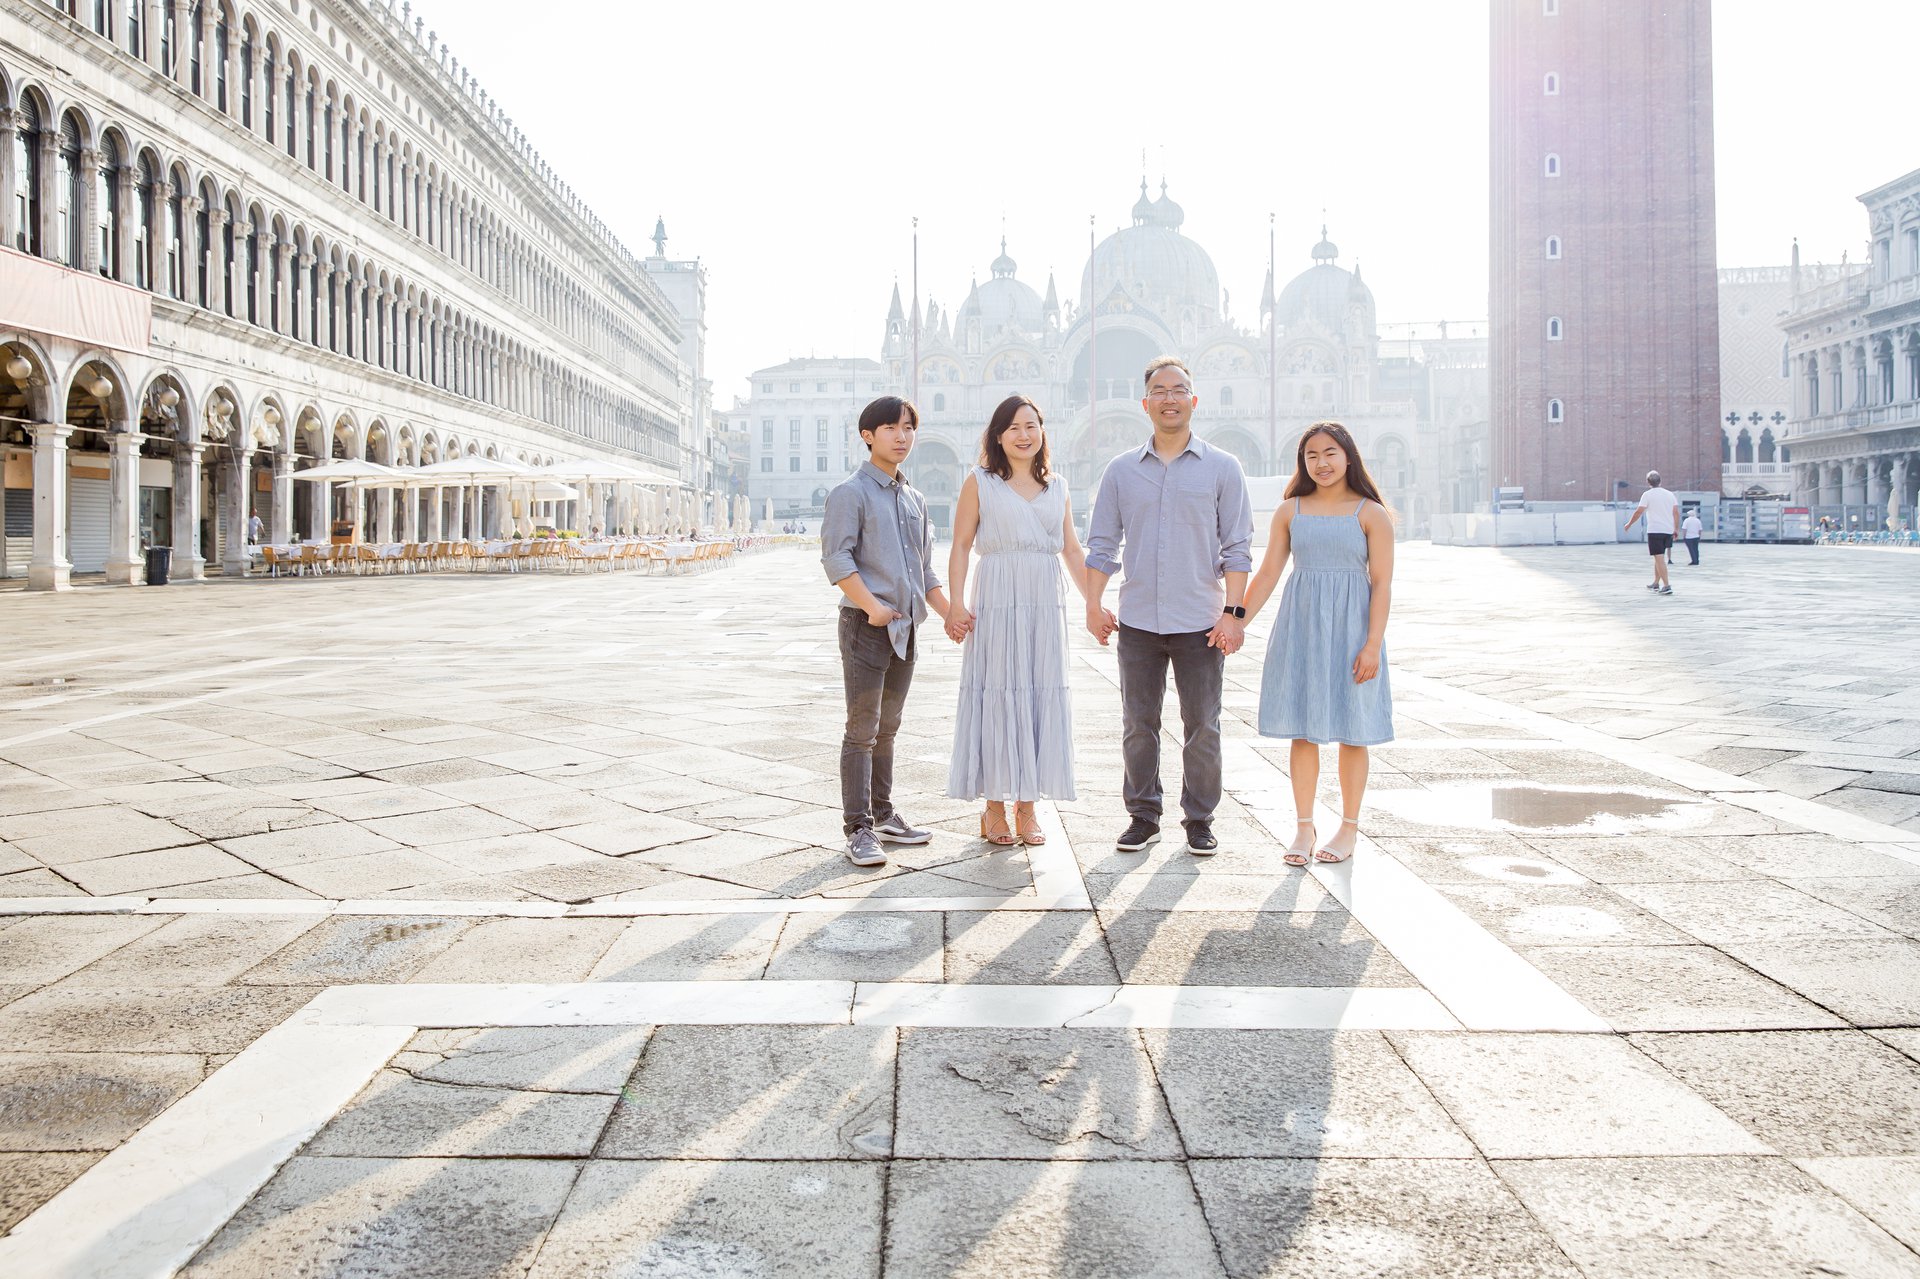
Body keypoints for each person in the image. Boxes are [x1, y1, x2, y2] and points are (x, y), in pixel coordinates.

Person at [1085, 356, 1254, 856]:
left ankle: (1199, 819)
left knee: (1202, 725)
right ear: (1145, 404)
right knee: (1138, 725)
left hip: (1201, 621)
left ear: (1193, 400)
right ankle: (1143, 816)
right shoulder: (1120, 471)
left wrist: (1234, 614)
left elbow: (1238, 548)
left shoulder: (1223, 468)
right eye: (1159, 390)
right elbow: (1101, 544)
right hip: (1138, 620)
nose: (1169, 398)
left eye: (1178, 389)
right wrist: (1093, 604)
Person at [1243, 422, 1396, 865]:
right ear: (1302, 462)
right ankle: (1304, 827)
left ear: (1348, 457)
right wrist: (1236, 622)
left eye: (1330, 453)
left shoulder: (1370, 513)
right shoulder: (1290, 511)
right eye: (1311, 455)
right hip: (1302, 627)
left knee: (1354, 730)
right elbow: (1268, 574)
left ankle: (1348, 828)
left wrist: (1372, 644)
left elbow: (1382, 584)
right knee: (1302, 729)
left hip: (1353, 631)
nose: (1321, 463)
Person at [945, 395, 1092, 845]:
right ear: (998, 435)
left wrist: (1094, 602)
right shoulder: (980, 481)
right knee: (997, 692)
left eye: (1031, 426)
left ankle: (1028, 808)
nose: (1023, 435)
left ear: (1043, 431)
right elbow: (960, 545)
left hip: (1044, 601)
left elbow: (1071, 549)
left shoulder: (1058, 486)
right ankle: (993, 808)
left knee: (1039, 692)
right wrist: (955, 604)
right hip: (996, 594)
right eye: (1013, 427)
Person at [820, 396, 955, 868]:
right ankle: (857, 828)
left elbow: (925, 570)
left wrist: (950, 614)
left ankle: (883, 813)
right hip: (865, 626)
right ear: (868, 435)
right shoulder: (850, 493)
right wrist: (873, 607)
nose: (902, 437)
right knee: (862, 730)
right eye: (892, 428)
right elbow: (836, 559)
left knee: (888, 728)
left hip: (905, 630)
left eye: (909, 428)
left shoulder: (914, 498)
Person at [1623, 470, 1681, 595]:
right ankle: (1656, 582)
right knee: (1659, 557)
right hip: (1668, 530)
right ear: (1660, 481)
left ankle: (1667, 585)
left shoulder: (1647, 495)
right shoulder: (1670, 495)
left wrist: (1629, 524)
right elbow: (1676, 513)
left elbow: (1639, 512)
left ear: (1648, 482)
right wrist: (1676, 529)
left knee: (1659, 558)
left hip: (1655, 530)